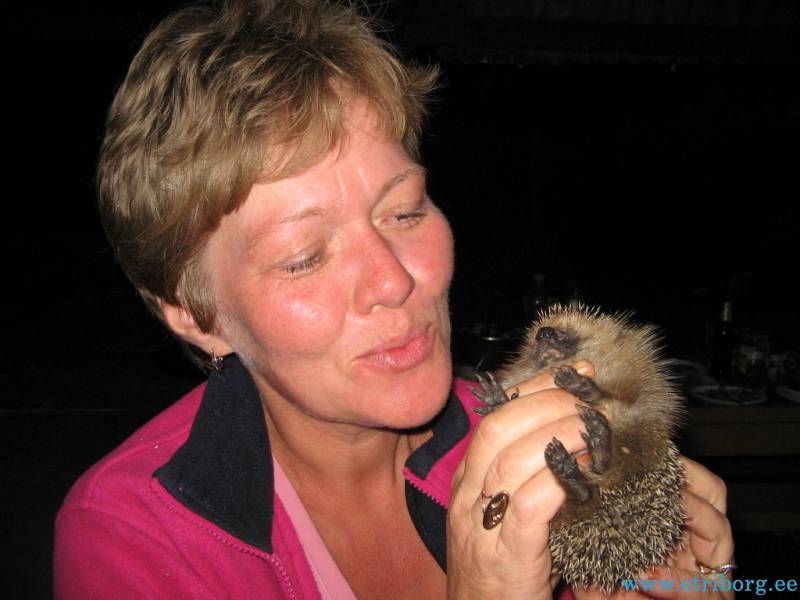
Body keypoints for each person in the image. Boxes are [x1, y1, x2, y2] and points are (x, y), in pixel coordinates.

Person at [54, 1, 735, 598]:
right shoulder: (131, 539)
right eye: (304, 257)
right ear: (195, 314)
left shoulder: (542, 434)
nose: (394, 281)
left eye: (405, 212)